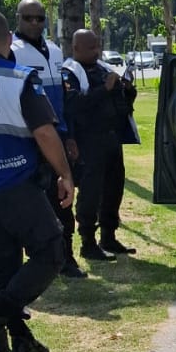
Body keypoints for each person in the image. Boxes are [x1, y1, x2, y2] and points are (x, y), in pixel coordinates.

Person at [0, 9, 74, 352]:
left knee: (3, 264)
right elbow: (45, 133)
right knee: (51, 251)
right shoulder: (19, 77)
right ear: (9, 40)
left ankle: (21, 339)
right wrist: (65, 174)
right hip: (14, 184)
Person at [12, 0, 85, 279]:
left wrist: (69, 136)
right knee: (29, 202)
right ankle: (34, 259)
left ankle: (66, 258)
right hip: (28, 141)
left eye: (39, 18)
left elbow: (62, 101)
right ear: (17, 19)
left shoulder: (54, 51)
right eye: (27, 18)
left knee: (63, 200)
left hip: (57, 138)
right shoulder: (11, 51)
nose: (34, 23)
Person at [62, 29, 139, 262]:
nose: (96, 51)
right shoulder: (70, 72)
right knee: (91, 192)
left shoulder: (104, 69)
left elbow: (123, 103)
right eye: (90, 47)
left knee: (114, 189)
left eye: (97, 46)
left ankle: (109, 236)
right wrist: (104, 89)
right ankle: (88, 242)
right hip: (89, 141)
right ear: (76, 48)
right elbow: (74, 105)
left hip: (112, 139)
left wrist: (127, 90)